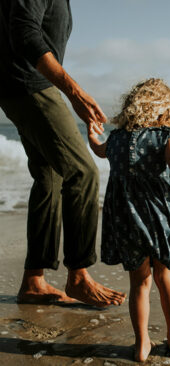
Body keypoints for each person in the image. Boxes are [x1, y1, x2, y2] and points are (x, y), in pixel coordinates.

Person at [0, 0, 126, 307]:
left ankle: (34, 281)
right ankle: (79, 276)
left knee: (49, 176)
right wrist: (74, 92)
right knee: (83, 173)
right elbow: (24, 33)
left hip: (17, 86)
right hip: (29, 86)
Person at [87, 78, 170, 361]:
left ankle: (142, 344)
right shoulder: (163, 136)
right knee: (164, 275)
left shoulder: (117, 139)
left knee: (139, 282)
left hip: (124, 216)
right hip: (156, 215)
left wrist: (91, 136)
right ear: (164, 109)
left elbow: (99, 151)